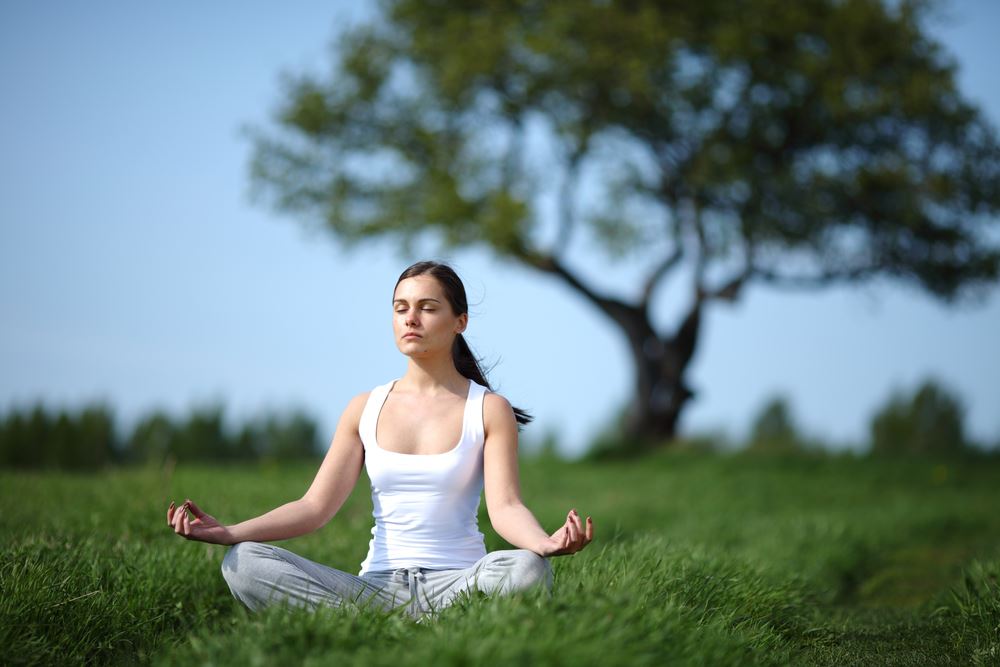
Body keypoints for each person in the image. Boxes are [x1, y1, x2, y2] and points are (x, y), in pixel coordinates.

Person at [166, 260, 594, 620]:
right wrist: (230, 532)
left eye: (428, 307)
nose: (411, 318)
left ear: (459, 321)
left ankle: (402, 629)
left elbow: (505, 508)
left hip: (458, 584)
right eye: (400, 308)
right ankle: (376, 626)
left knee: (525, 570)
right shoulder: (363, 408)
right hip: (374, 589)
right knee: (243, 564)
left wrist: (543, 543)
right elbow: (314, 508)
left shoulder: (487, 408)